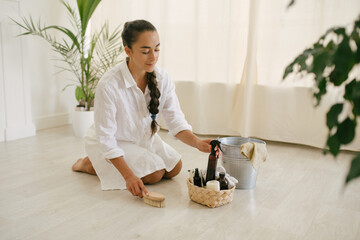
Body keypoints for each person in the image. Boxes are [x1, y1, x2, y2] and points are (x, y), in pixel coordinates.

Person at [72, 19, 214, 198]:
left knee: (174, 167)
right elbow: (106, 138)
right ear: (128, 51)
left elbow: (175, 120)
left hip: (141, 137)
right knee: (155, 174)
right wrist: (128, 176)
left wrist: (197, 142)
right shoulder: (109, 84)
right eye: (146, 51)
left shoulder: (162, 78)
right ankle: (89, 163)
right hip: (115, 140)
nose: (153, 57)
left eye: (156, 49)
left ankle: (115, 162)